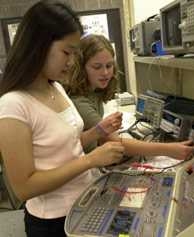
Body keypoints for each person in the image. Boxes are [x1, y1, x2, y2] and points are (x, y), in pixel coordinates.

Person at [0, 1, 124, 237]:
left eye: (75, 54)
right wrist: (90, 161)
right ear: (38, 46)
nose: (71, 62)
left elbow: (64, 144)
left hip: (83, 204)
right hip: (53, 222)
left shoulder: (56, 87)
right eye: (67, 52)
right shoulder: (13, 105)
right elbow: (24, 187)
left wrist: (97, 131)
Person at [67, 34, 194, 162]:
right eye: (97, 67)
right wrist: (169, 150)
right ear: (82, 68)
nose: (105, 73)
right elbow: (113, 141)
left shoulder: (94, 92)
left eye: (109, 65)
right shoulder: (79, 101)